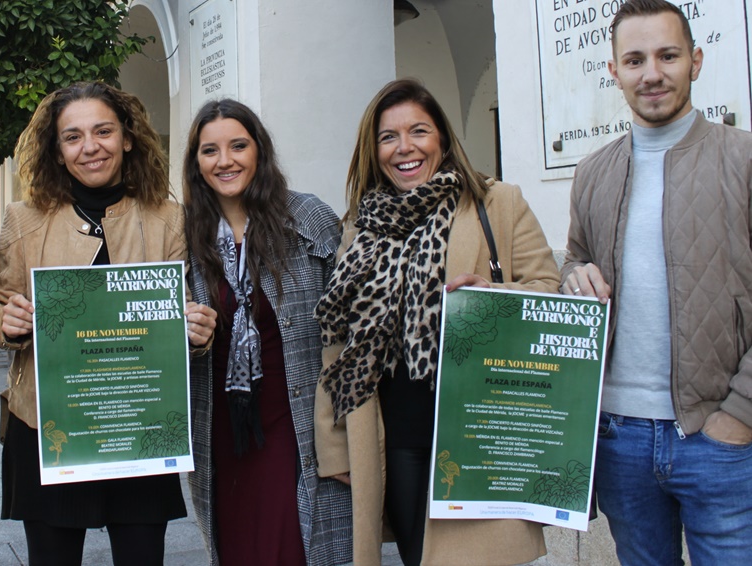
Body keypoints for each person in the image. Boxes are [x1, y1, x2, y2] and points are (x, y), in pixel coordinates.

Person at [313, 78, 559, 565]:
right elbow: (336, 344)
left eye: (418, 131)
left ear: (442, 138)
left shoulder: (498, 203)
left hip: (482, 437)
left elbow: (548, 292)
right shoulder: (359, 227)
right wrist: (334, 443)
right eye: (389, 137)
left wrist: (494, 297)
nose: (405, 148)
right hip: (399, 440)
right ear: (373, 148)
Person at [0, 81, 215, 565]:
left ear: (127, 138)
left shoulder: (168, 218)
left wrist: (195, 332)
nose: (90, 147)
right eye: (73, 137)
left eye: (103, 131)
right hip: (49, 429)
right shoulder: (22, 219)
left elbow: (182, 311)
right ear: (58, 149)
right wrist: (5, 321)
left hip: (138, 421)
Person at [562, 1, 752, 563]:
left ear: (695, 61)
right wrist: (574, 276)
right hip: (620, 440)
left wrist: (739, 416)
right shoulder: (593, 171)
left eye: (668, 55)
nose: (652, 73)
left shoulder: (742, 159)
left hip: (717, 438)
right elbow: (574, 259)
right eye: (635, 59)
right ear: (613, 72)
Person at [183, 99, 352, 566]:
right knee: (238, 545)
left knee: (293, 542)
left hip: (294, 417)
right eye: (210, 150)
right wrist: (184, 333)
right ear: (196, 162)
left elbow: (350, 324)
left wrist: (349, 433)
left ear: (259, 150)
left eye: (238, 145)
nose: (225, 161)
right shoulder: (184, 233)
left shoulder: (308, 218)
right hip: (221, 424)